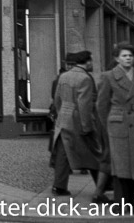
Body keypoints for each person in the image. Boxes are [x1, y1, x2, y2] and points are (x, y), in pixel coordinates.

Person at [97, 44, 134, 207]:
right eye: (124, 55)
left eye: (130, 55)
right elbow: (101, 105)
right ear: (116, 59)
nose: (128, 58)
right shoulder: (108, 76)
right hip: (118, 125)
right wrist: (110, 123)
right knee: (121, 167)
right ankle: (122, 204)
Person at [49, 51, 107, 201]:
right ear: (87, 62)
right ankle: (104, 186)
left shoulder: (64, 76)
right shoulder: (85, 78)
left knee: (63, 153)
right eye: (91, 61)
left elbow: (57, 99)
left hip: (64, 118)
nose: (92, 64)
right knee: (95, 152)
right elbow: (84, 104)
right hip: (78, 119)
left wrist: (62, 113)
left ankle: (59, 186)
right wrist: (87, 126)